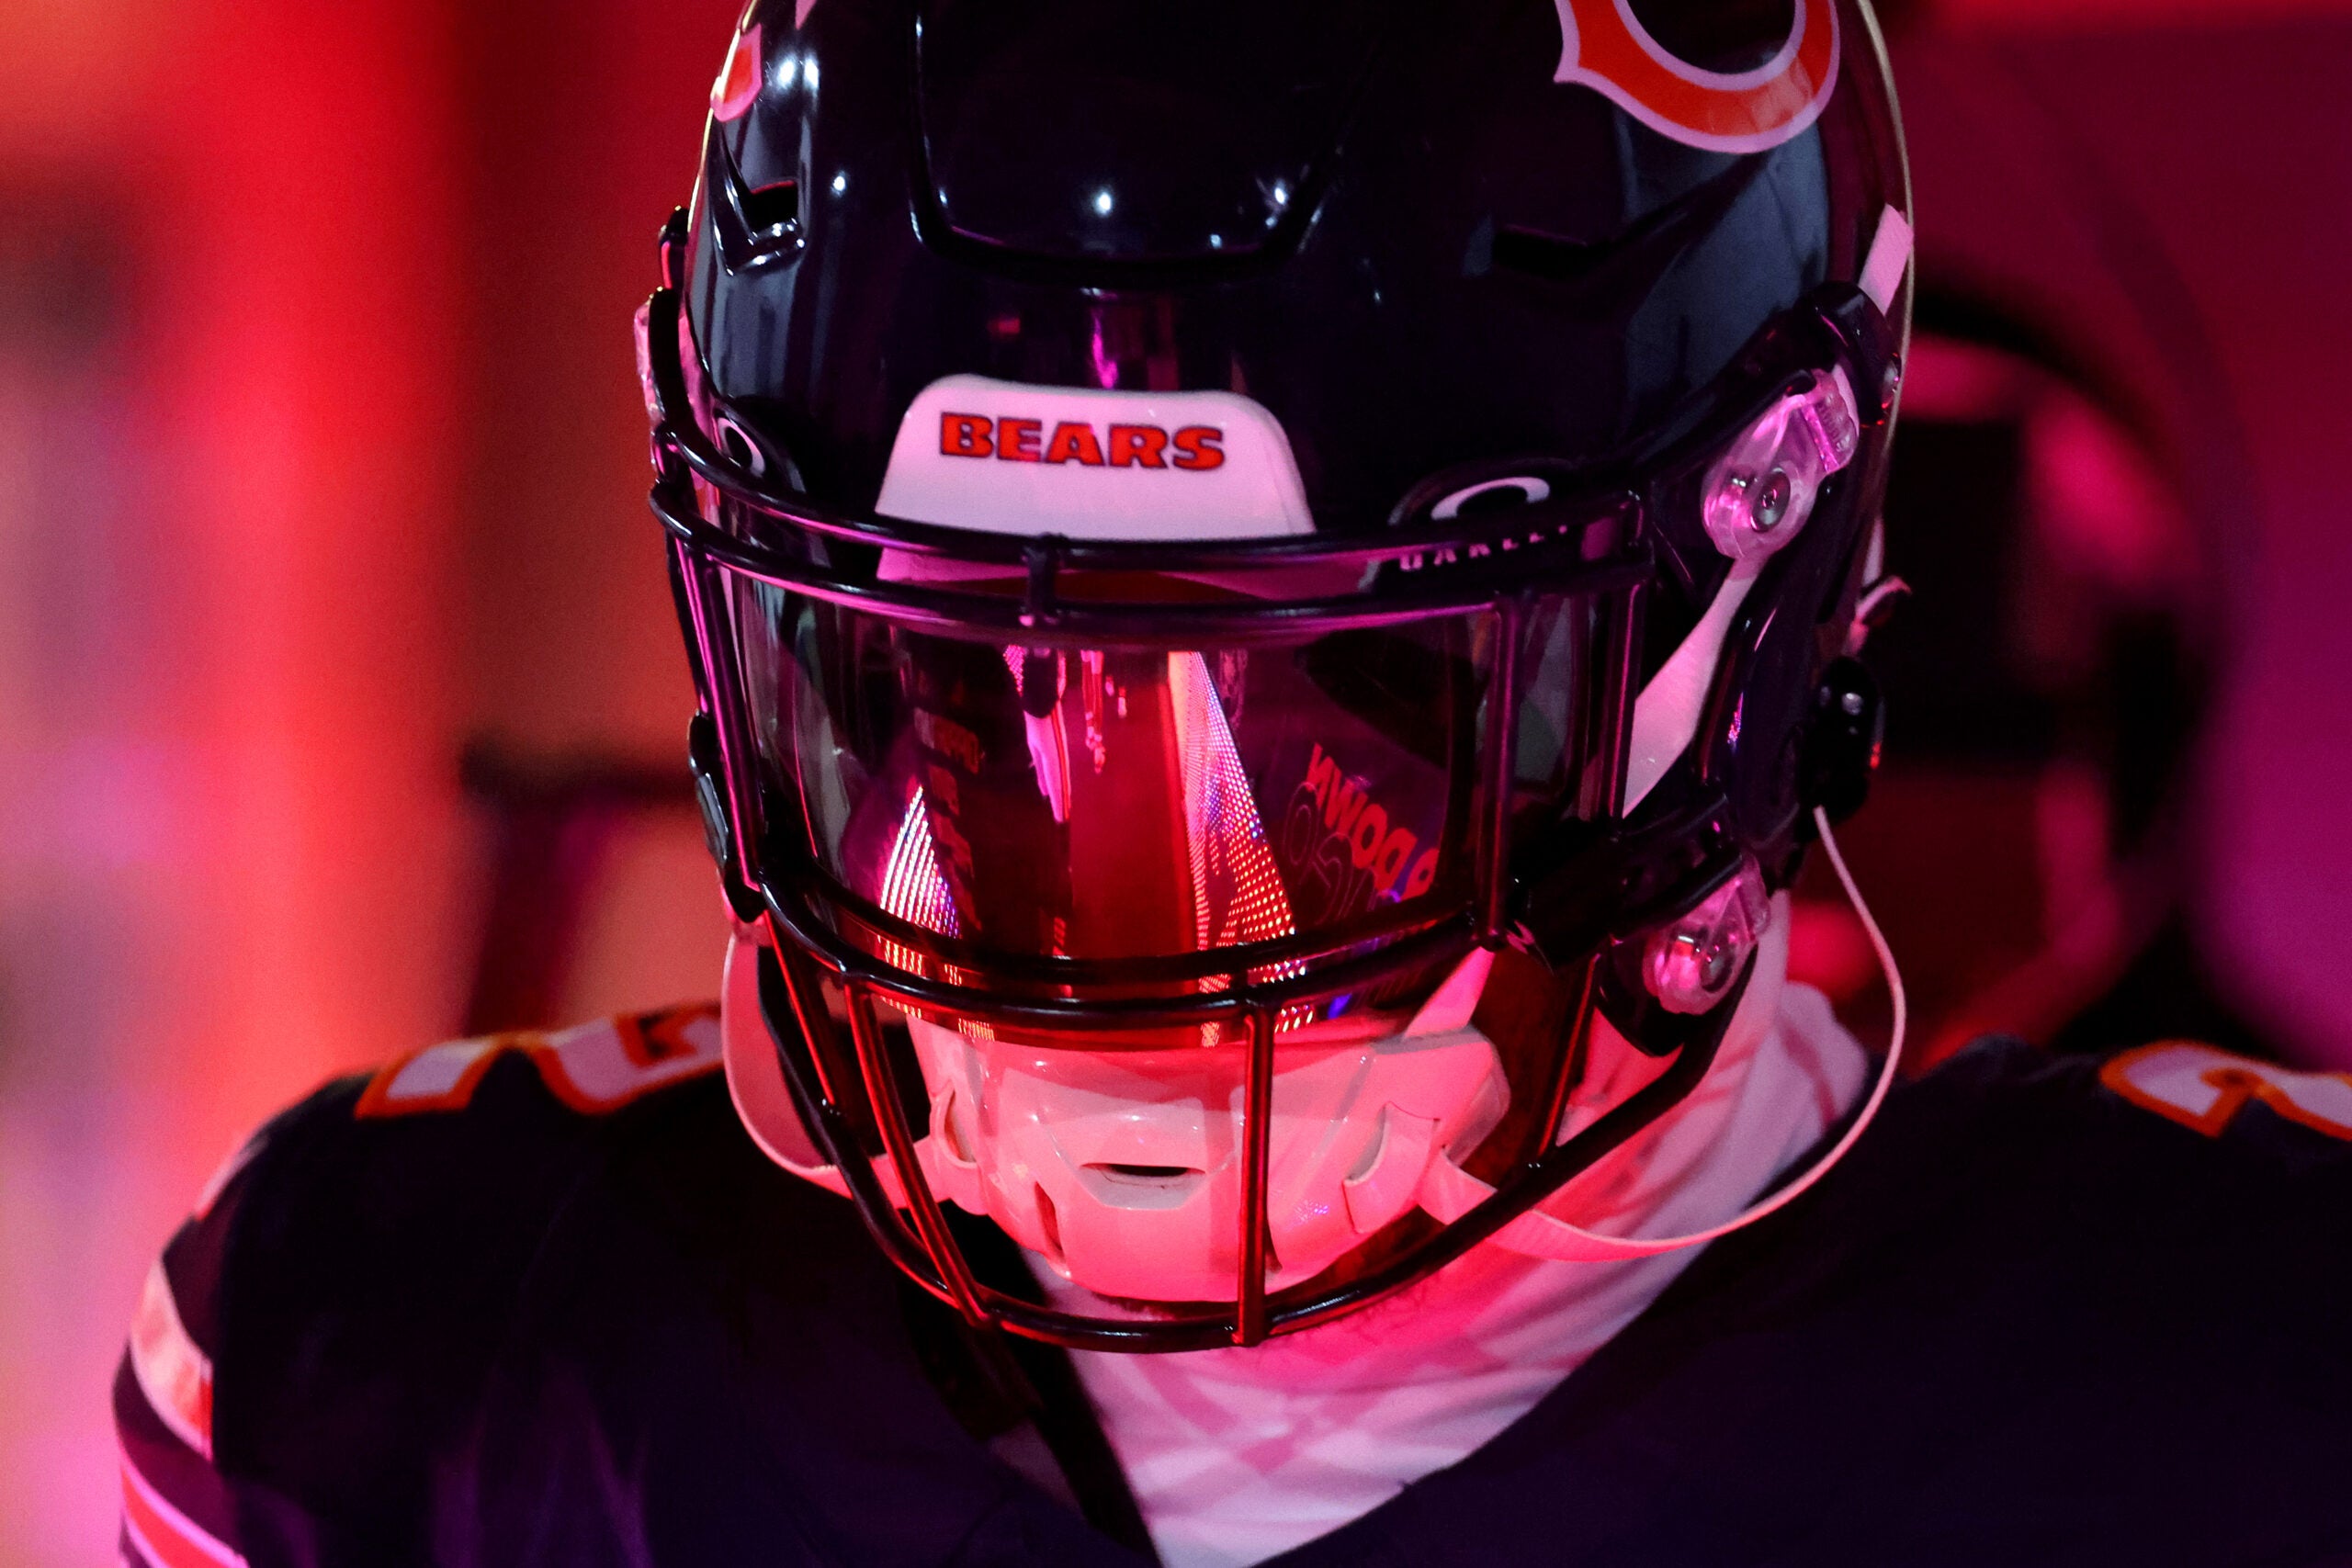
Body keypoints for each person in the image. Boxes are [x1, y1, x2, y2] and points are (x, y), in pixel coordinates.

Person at [114, 5, 2352, 1564]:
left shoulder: (2245, 1382)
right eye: (954, 693)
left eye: (1320, 720)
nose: (1113, 873)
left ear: (1751, 589)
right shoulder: (395, 1363)